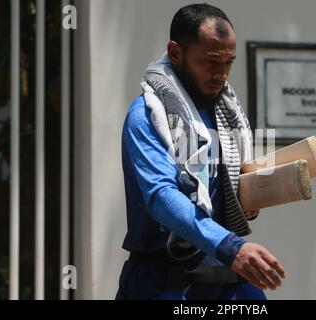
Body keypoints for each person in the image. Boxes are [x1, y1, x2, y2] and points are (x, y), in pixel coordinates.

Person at [116, 3, 286, 300]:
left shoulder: (225, 113)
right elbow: (161, 196)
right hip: (163, 282)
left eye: (228, 63)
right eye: (210, 62)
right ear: (176, 52)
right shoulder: (146, 115)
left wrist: (248, 197)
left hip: (225, 277)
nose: (221, 74)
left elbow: (226, 188)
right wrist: (232, 246)